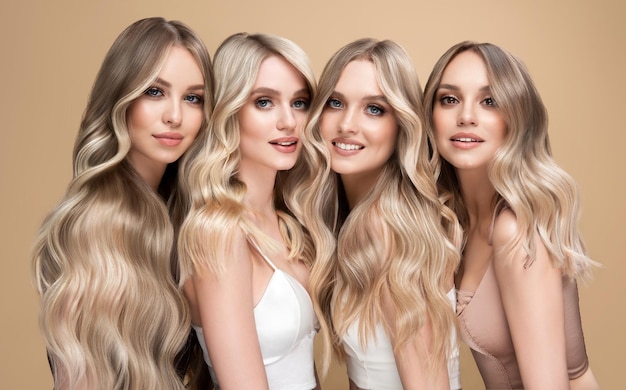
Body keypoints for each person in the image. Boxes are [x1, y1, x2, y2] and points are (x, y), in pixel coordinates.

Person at [31, 17, 214, 390]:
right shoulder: (95, 226)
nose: (175, 116)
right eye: (154, 92)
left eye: (193, 98)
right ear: (121, 97)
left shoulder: (178, 214)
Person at [423, 41, 600, 390]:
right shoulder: (456, 223)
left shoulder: (516, 229)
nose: (466, 116)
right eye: (450, 99)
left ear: (516, 116)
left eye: (490, 102)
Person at [294, 38, 462, 389]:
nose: (347, 125)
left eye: (374, 109)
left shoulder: (386, 230)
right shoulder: (351, 220)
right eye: (336, 103)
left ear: (402, 125)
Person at [177, 32, 319, 390]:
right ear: (229, 109)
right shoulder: (219, 231)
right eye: (265, 102)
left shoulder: (290, 223)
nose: (289, 121)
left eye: (299, 103)